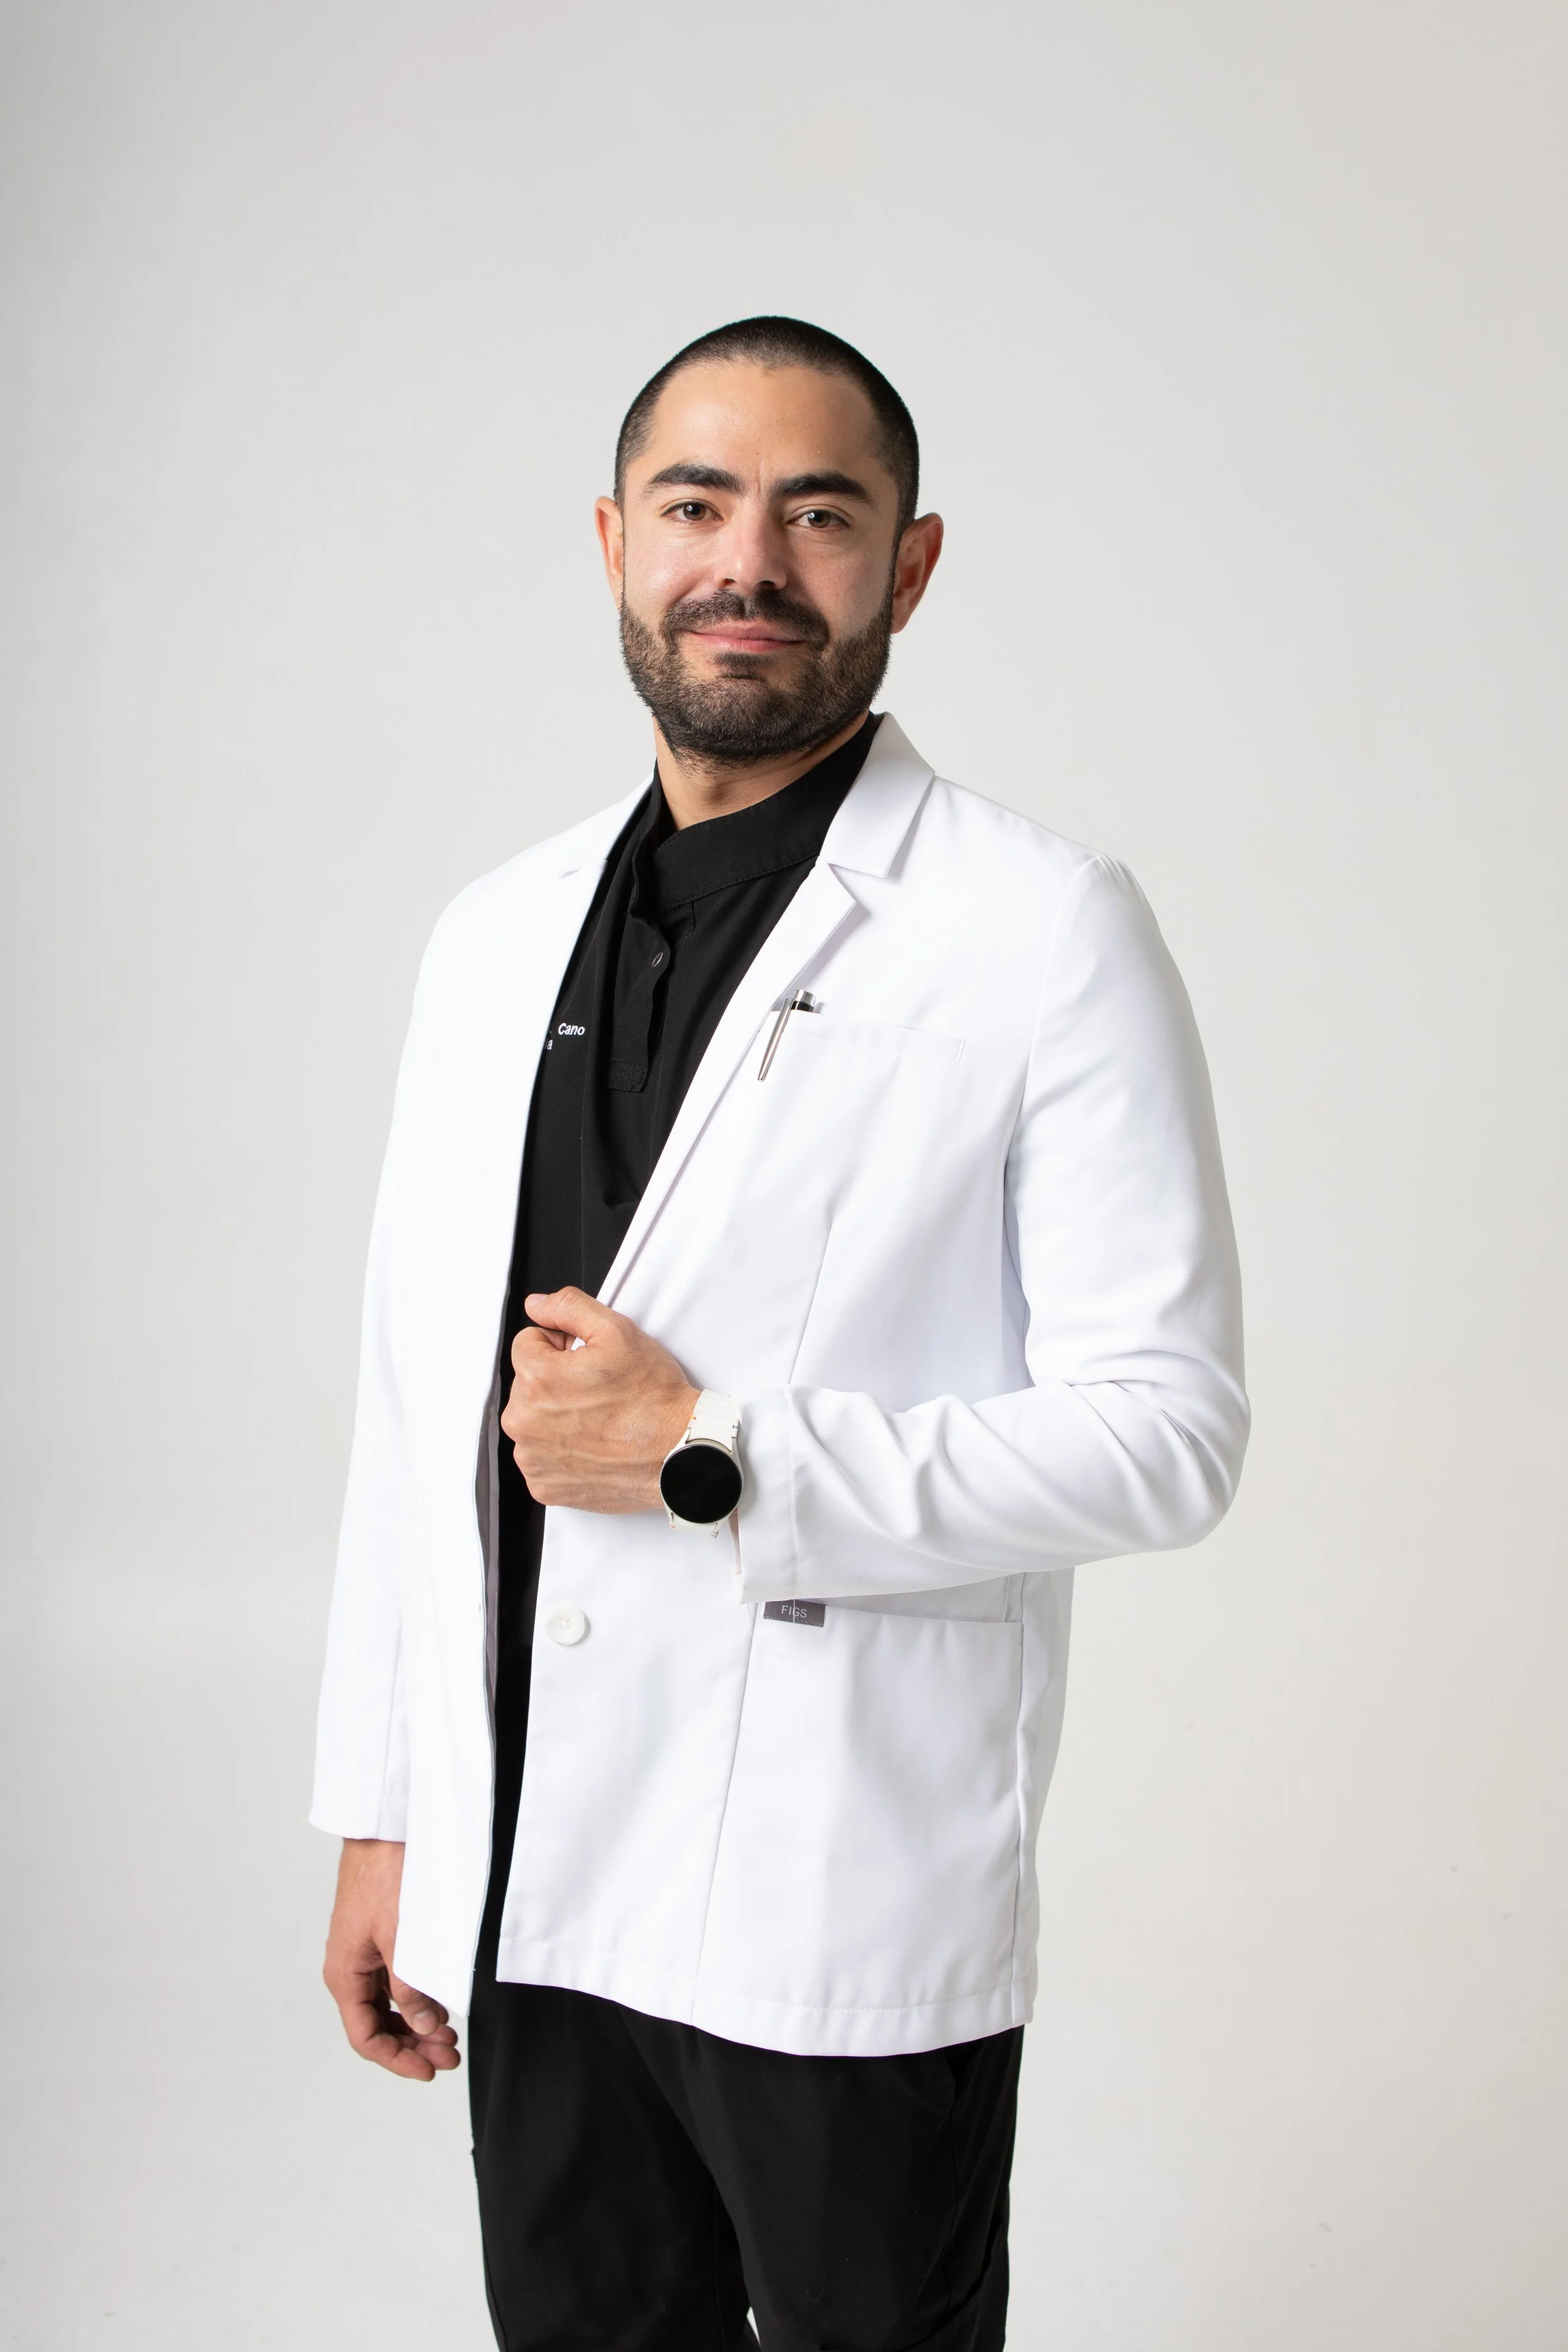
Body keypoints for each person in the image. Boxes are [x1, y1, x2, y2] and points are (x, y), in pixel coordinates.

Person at [314, 315, 1248, 2351]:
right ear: (612, 541)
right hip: (531, 1863)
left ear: (906, 568)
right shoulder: (492, 935)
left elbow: (1168, 1427)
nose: (750, 559)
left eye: (819, 513)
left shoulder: (1037, 924)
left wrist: (716, 1450)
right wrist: (389, 1809)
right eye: (697, 503)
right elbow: (416, 1418)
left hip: (834, 1883)